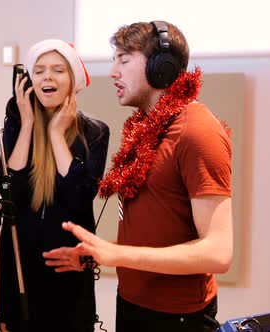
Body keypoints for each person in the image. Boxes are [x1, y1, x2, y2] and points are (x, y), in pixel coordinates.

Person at [48, 21, 233, 332]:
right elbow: (158, 227)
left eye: (124, 59)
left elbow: (218, 252)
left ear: (162, 67)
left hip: (176, 319)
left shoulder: (198, 132)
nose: (113, 72)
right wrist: (98, 253)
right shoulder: (146, 130)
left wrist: (117, 254)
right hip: (134, 306)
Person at [0, 39, 110, 332]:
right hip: (20, 274)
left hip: (69, 274)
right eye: (39, 70)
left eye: (58, 70)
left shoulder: (94, 132)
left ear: (72, 80)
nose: (47, 77)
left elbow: (79, 198)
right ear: (29, 81)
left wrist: (57, 134)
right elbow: (8, 192)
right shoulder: (17, 126)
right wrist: (29, 125)